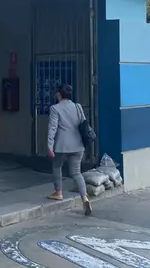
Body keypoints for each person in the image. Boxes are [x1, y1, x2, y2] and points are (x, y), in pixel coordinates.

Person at [46, 84, 91, 216]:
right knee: (76, 172)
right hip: (78, 144)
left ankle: (58, 192)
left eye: (56, 93)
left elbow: (52, 128)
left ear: (59, 94)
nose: (56, 95)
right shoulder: (77, 107)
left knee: (56, 166)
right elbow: (84, 124)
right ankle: (85, 198)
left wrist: (49, 146)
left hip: (62, 145)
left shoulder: (55, 108)